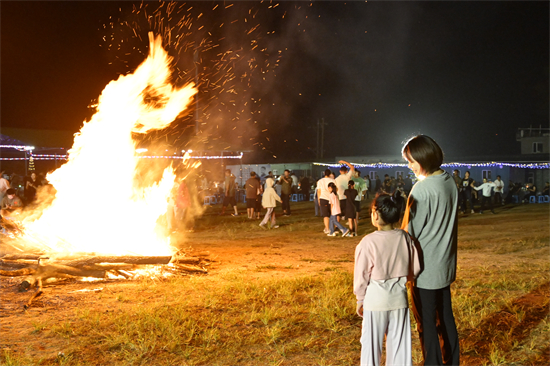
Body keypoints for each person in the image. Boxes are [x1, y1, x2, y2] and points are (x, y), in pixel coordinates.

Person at [401, 135, 460, 366]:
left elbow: (408, 233)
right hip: (444, 266)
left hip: (424, 269)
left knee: (426, 322)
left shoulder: (422, 190)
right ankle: (452, 361)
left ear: (423, 158)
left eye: (411, 161)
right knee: (446, 318)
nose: (409, 166)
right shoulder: (448, 181)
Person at [354, 191, 421, 366]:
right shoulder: (405, 238)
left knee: (371, 349)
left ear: (375, 214)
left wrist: (360, 299)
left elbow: (361, 275)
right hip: (399, 300)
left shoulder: (368, 242)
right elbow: (416, 268)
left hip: (375, 302)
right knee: (400, 349)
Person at [317, 169, 336, 234]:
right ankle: (332, 228)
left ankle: (327, 228)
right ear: (330, 174)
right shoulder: (333, 181)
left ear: (324, 173)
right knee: (332, 214)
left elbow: (319, 191)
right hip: (331, 198)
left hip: (323, 198)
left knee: (325, 215)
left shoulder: (320, 181)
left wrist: (319, 200)